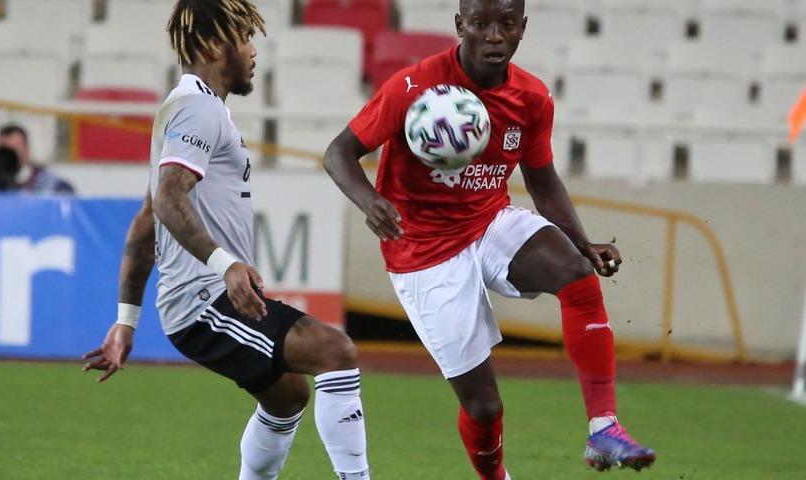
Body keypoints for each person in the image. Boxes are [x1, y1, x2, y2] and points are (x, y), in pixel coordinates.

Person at [324, 0, 655, 476]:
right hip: (422, 252)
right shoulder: (414, 88)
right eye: (481, 24)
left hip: (487, 221)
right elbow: (338, 154)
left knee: (575, 273)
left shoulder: (533, 98)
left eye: (506, 24)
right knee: (483, 408)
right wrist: (370, 202)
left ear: (523, 27)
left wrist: (584, 243)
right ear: (461, 26)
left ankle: (603, 427)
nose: (494, 36)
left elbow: (542, 181)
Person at [81, 2, 371, 479]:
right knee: (336, 351)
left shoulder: (186, 108)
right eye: (245, 39)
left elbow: (145, 222)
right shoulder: (197, 108)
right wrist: (225, 265)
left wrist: (125, 322)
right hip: (202, 301)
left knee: (288, 396)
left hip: (204, 298)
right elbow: (170, 198)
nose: (254, 51)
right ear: (216, 46)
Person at [0, 124, 75, 194]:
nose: (8, 155)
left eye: (14, 149)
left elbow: (68, 200)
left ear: (26, 149)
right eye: (4, 150)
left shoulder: (46, 180)